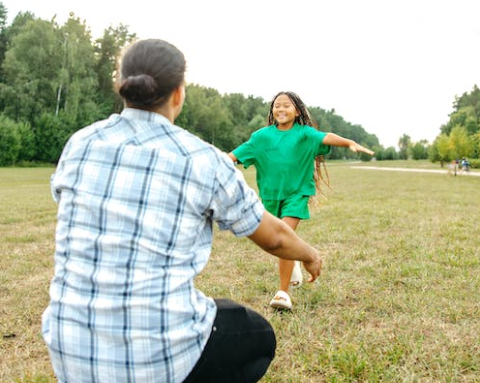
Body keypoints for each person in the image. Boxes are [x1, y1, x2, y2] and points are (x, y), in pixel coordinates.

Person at [41, 40, 323, 383]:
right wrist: (309, 255)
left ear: (121, 85)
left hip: (68, 349)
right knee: (255, 334)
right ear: (178, 93)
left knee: (225, 313)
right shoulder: (201, 158)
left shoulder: (80, 143)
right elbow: (275, 238)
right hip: (158, 361)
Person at [228, 91, 374, 310]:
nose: (281, 109)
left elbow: (326, 137)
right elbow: (233, 156)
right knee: (276, 243)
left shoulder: (305, 134)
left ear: (297, 111)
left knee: (284, 235)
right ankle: (294, 260)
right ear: (271, 110)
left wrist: (348, 142)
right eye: (277, 106)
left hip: (297, 194)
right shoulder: (261, 137)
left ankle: (282, 293)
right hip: (270, 196)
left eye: (286, 106)